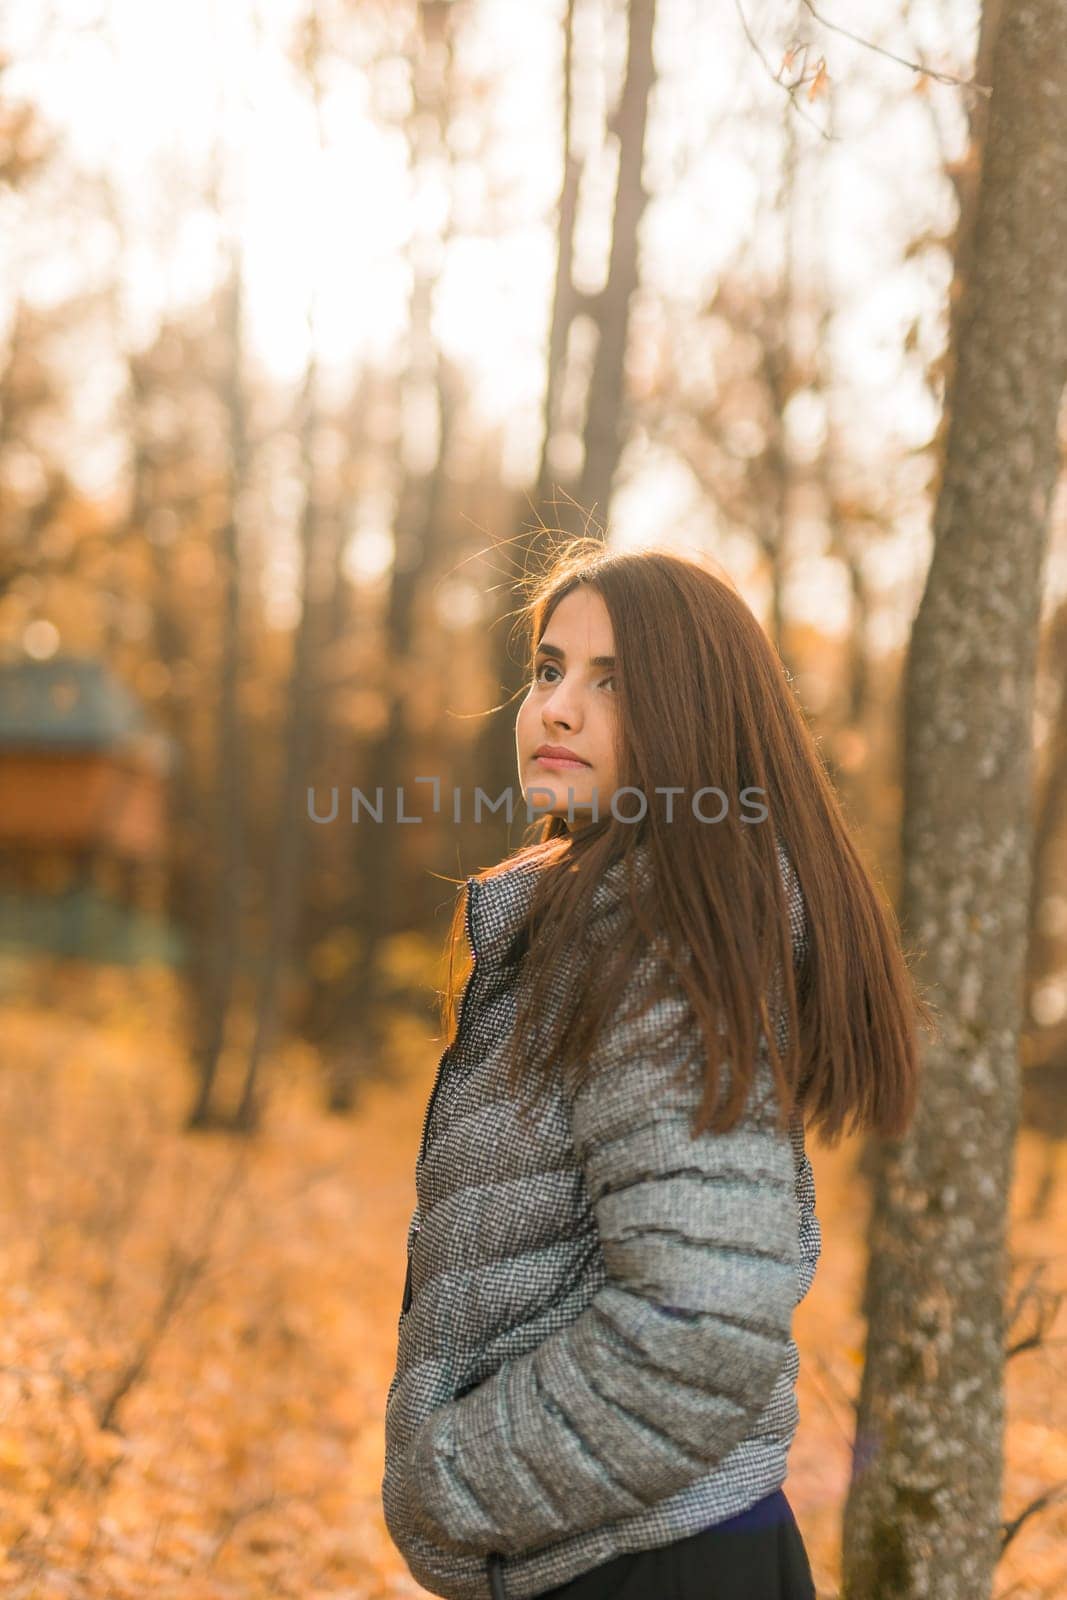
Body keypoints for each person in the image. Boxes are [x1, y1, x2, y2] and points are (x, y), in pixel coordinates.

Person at [382, 541, 934, 1600]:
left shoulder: (658, 946)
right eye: (547, 670)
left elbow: (698, 1331)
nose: (555, 709)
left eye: (611, 683)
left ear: (694, 723)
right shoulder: (598, 926)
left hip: (656, 1565)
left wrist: (448, 1480)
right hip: (615, 1549)